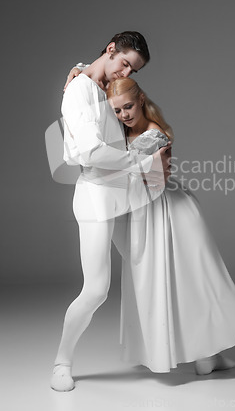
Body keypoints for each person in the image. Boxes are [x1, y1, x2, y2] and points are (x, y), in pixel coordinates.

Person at [107, 77, 235, 381]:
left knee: (205, 278)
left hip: (169, 212)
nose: (124, 114)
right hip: (147, 215)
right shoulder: (123, 133)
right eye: (117, 110)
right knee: (179, 286)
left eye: (128, 106)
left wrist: (116, 171)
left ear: (140, 100)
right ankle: (206, 357)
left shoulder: (153, 135)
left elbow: (149, 181)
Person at [51, 32, 171, 392]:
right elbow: (89, 152)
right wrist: (139, 160)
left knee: (154, 268)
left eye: (133, 69)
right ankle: (62, 361)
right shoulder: (79, 91)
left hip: (125, 191)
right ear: (111, 49)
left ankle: (198, 353)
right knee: (97, 288)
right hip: (95, 195)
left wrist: (83, 68)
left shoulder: (100, 82)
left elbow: (96, 76)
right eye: (125, 63)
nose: (127, 73)